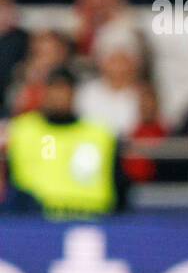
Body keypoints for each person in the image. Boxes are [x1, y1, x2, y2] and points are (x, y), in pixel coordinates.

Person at [5, 67, 127, 216]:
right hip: (34, 222)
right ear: (44, 92)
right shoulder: (21, 130)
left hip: (91, 220)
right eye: (54, 88)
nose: (59, 96)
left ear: (74, 93)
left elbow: (120, 184)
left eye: (64, 89)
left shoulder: (100, 134)